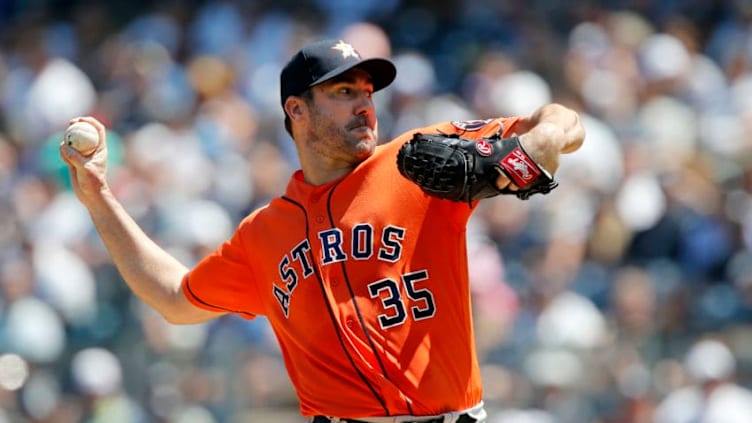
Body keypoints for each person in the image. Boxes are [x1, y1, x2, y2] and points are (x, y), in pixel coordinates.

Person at [60, 39, 585, 423]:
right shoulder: (264, 234)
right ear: (297, 110)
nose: (364, 103)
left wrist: (534, 149)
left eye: (367, 90)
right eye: (342, 90)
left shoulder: (418, 159)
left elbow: (562, 122)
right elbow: (174, 299)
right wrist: (99, 196)